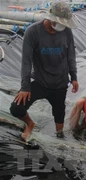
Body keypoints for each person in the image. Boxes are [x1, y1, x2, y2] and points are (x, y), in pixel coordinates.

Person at [9, 1, 79, 141]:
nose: (62, 26)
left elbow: (70, 55)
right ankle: (30, 123)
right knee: (16, 108)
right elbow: (26, 62)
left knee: (59, 112)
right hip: (40, 81)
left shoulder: (66, 31)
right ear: (51, 19)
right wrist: (25, 87)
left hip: (60, 82)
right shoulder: (33, 32)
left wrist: (74, 77)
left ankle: (59, 135)